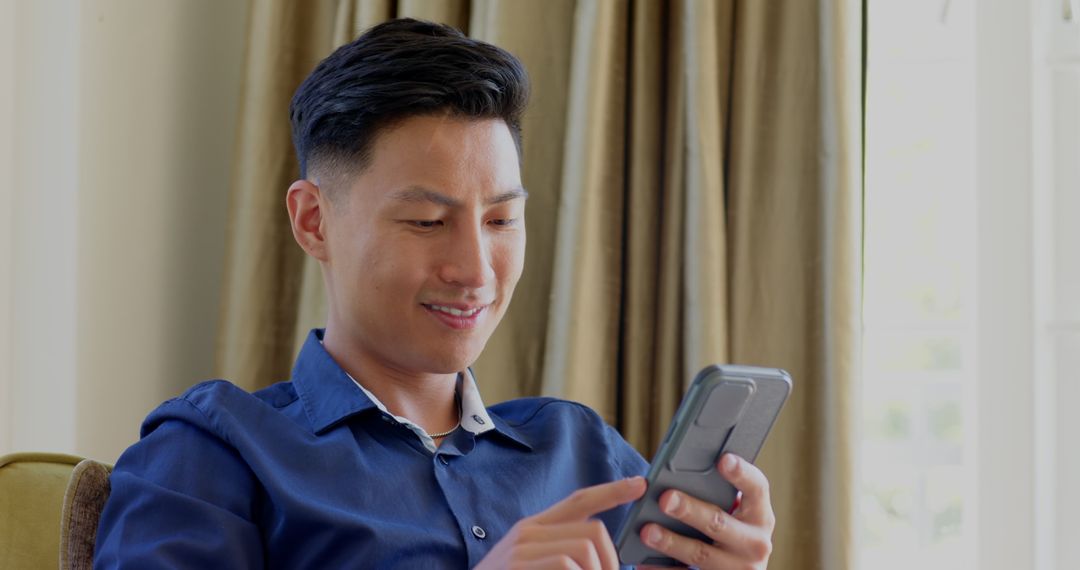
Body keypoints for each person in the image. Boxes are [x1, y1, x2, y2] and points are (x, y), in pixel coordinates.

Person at [95, 18, 775, 569]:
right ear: (313, 221)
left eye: (502, 221)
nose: (476, 270)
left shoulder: (583, 452)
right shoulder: (216, 450)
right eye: (426, 221)